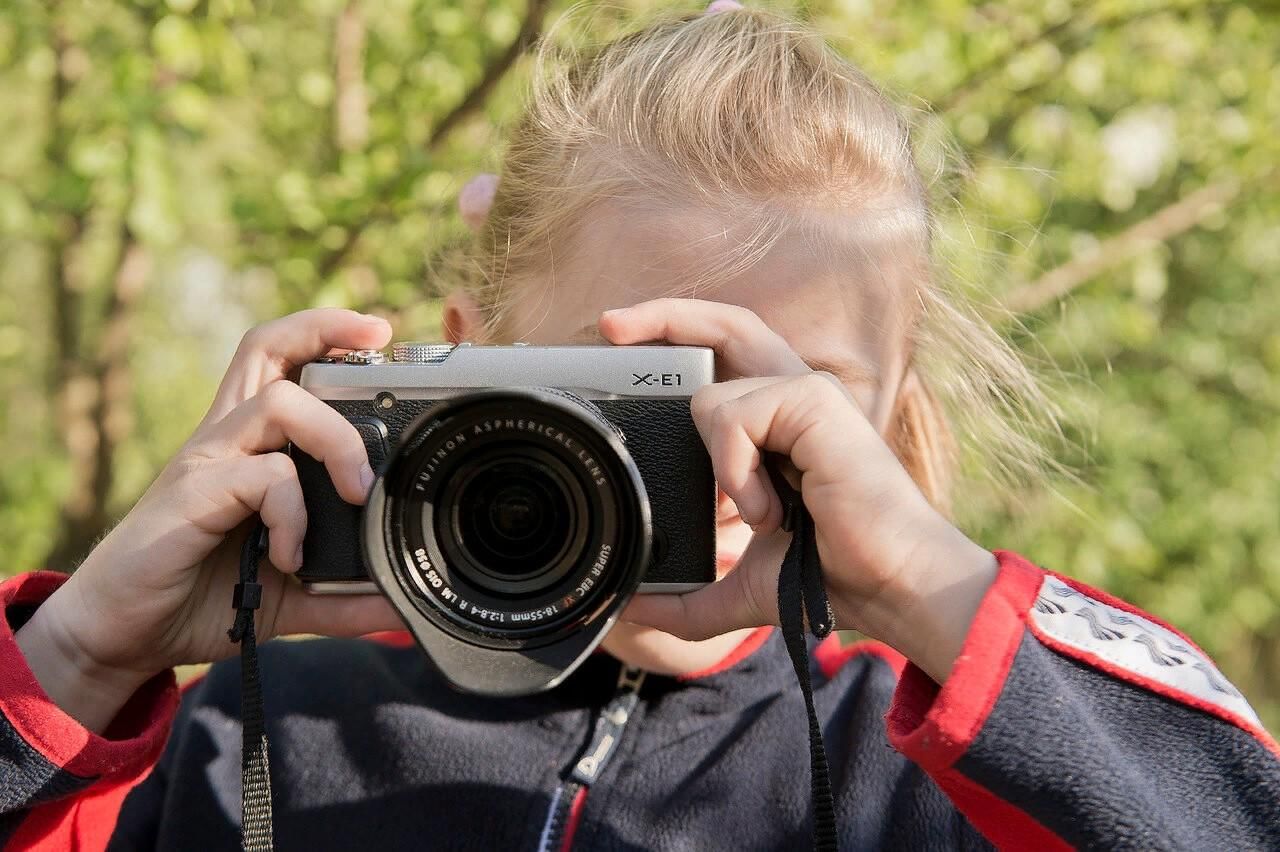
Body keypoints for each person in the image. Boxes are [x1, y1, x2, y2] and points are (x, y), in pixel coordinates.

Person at [2, 6, 1277, 850]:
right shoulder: (248, 730)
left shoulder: (943, 769)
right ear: (468, 359)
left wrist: (931, 595)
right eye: (637, 385)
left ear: (886, 427)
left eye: (792, 398)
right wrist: (70, 662)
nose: (719, 456)